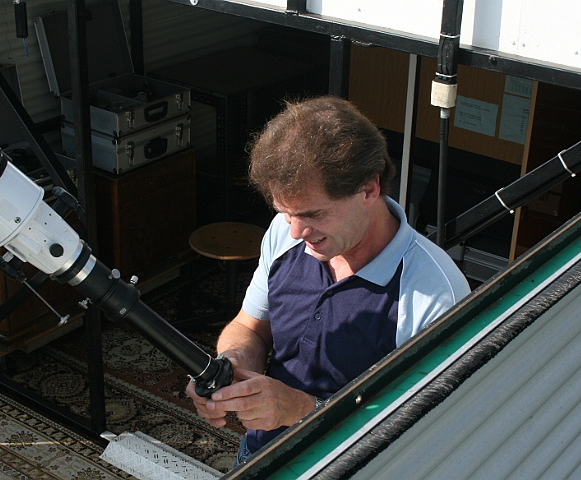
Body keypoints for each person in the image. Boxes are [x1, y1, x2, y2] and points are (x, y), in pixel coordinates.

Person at [186, 95, 470, 464]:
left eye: (312, 214)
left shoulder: (435, 295)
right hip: (258, 456)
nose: (296, 232)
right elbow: (251, 327)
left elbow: (424, 429)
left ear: (369, 188)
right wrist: (235, 365)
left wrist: (304, 410)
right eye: (286, 213)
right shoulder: (283, 233)